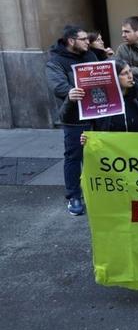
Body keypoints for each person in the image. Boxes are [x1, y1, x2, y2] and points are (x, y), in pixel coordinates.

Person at [45, 26, 98, 215]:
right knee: (74, 157)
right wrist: (70, 92)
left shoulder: (90, 55)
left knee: (97, 155)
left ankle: (98, 193)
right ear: (71, 41)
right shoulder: (55, 62)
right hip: (74, 117)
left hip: (96, 114)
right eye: (83, 39)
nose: (87, 42)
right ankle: (74, 196)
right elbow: (58, 86)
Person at [65, 60, 138, 134]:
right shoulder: (98, 97)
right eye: (124, 73)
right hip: (112, 146)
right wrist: (70, 101)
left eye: (130, 71)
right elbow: (69, 119)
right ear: (112, 77)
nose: (130, 76)